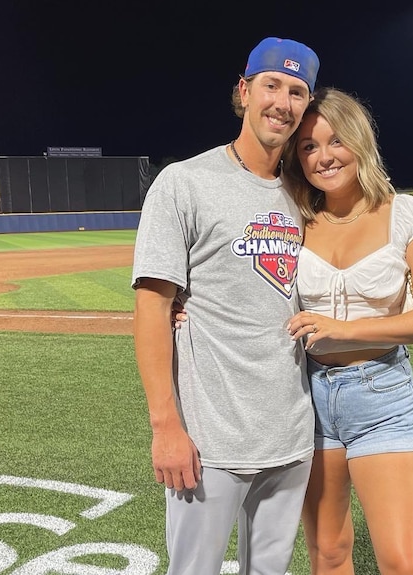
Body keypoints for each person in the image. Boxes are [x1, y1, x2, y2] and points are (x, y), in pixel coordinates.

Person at [131, 37, 320, 575]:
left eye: (297, 92)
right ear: (244, 91)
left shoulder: (307, 194)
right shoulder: (185, 182)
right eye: (271, 85)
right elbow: (152, 309)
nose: (282, 103)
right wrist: (165, 426)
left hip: (291, 433)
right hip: (208, 440)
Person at [282, 87, 413, 575]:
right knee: (328, 551)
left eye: (335, 140)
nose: (323, 157)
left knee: (403, 561)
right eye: (309, 146)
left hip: (380, 394)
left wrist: (345, 330)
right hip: (306, 397)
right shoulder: (294, 218)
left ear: (359, 140)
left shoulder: (405, 214)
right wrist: (186, 306)